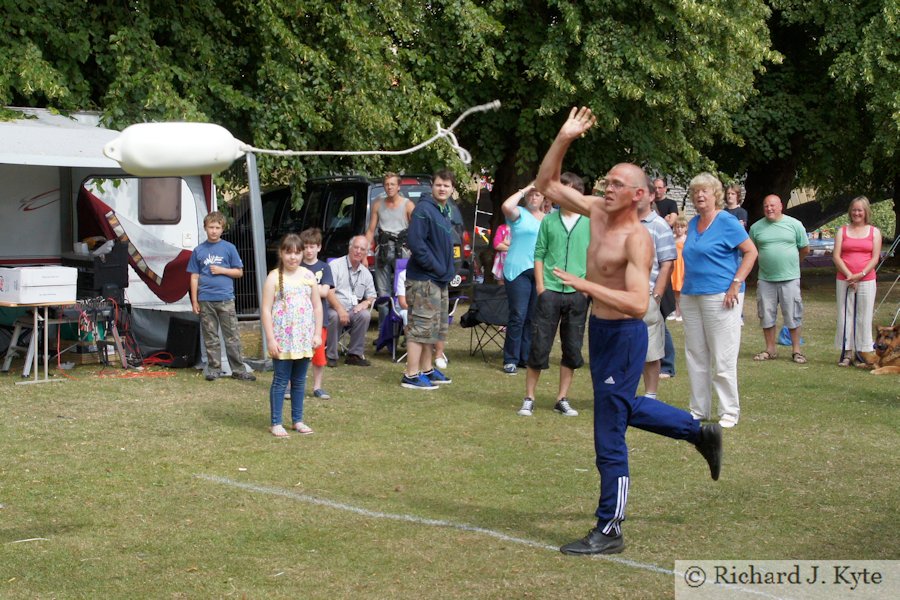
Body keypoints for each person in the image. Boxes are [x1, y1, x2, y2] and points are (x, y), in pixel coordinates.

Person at [536, 106, 722, 556]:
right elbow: (547, 185)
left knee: (608, 432)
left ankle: (610, 528)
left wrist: (585, 284)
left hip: (624, 336)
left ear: (638, 194)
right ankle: (698, 431)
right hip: (599, 332)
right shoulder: (597, 211)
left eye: (617, 183)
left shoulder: (637, 238)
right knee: (621, 407)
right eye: (607, 181)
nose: (607, 186)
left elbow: (640, 304)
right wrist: (564, 137)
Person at [680, 173, 757, 429]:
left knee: (723, 355)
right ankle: (698, 409)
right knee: (695, 354)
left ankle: (729, 411)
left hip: (721, 295)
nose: (700, 196)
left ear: (716, 195)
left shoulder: (726, 221)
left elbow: (750, 252)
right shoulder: (692, 224)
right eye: (696, 192)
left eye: (705, 191)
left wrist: (735, 283)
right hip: (692, 295)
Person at [519, 172, 590, 418]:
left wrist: (586, 285)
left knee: (572, 347)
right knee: (539, 345)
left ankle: (562, 398)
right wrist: (541, 287)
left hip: (577, 294)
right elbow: (539, 253)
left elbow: (594, 255)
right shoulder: (549, 220)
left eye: (570, 191)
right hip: (549, 290)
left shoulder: (589, 222)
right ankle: (529, 397)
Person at [261, 234, 323, 437]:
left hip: (303, 339)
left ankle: (298, 420)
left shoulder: (308, 276)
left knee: (299, 381)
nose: (293, 257)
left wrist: (316, 334)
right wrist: (270, 339)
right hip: (282, 340)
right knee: (280, 380)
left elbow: (317, 307)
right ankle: (276, 422)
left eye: (297, 253)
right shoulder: (273, 277)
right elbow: (266, 310)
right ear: (281, 253)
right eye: (289, 253)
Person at [401, 169, 456, 390]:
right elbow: (416, 244)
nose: (442, 188)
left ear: (452, 189)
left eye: (447, 185)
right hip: (424, 279)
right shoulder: (423, 209)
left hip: (439, 280)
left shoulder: (444, 210)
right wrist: (437, 267)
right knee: (420, 328)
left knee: (433, 330)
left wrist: (446, 271)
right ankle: (411, 375)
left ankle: (426, 370)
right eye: (439, 184)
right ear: (432, 186)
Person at [188, 211, 256, 382]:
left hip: (225, 299)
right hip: (205, 299)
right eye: (211, 227)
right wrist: (195, 300)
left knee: (231, 335)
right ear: (205, 228)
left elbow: (239, 272)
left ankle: (238, 369)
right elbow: (194, 276)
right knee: (210, 336)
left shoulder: (229, 248)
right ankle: (214, 368)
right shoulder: (199, 250)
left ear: (222, 229)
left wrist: (222, 270)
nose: (214, 231)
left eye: (217, 227)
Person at [749, 195, 810, 364]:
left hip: (789, 278)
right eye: (766, 206)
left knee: (793, 314)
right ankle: (770, 349)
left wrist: (792, 264)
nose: (769, 209)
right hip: (766, 278)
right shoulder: (756, 228)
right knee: (766, 314)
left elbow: (805, 249)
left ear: (781, 206)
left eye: (773, 206)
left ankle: (796, 350)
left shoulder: (794, 224)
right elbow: (751, 251)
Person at [637, 177, 676, 399]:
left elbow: (667, 263)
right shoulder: (624, 221)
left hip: (648, 295)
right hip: (624, 296)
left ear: (652, 197)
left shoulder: (659, 225)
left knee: (651, 352)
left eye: (643, 192)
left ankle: (650, 396)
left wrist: (656, 296)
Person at [833, 196, 883, 366]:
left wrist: (860, 274)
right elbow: (836, 256)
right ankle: (847, 352)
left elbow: (875, 257)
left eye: (860, 210)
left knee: (864, 315)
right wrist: (849, 275)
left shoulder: (874, 232)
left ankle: (863, 352)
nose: (857, 213)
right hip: (844, 279)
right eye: (854, 210)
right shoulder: (842, 231)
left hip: (867, 279)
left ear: (865, 212)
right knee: (845, 314)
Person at [501, 184, 546, 374]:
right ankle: (510, 358)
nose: (534, 197)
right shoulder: (518, 213)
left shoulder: (548, 219)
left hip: (539, 271)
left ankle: (525, 357)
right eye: (531, 195)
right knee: (518, 315)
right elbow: (505, 206)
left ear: (544, 198)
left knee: (532, 318)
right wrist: (524, 189)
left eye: (538, 195)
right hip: (517, 270)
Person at [365, 173, 414, 326]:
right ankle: (384, 332)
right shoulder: (378, 204)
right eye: (387, 184)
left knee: (405, 292)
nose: (389, 187)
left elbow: (416, 231)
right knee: (383, 293)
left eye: (393, 184)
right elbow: (371, 230)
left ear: (398, 186)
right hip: (383, 250)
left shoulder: (408, 205)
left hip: (403, 250)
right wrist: (365, 254)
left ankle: (407, 330)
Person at [326, 236, 377, 367]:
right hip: (333, 307)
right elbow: (329, 292)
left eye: (362, 249)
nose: (358, 251)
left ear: (366, 253)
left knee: (365, 315)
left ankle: (354, 355)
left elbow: (372, 296)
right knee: (334, 316)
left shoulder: (366, 273)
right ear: (349, 248)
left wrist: (365, 303)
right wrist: (340, 309)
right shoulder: (335, 266)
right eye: (356, 247)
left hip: (352, 309)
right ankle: (331, 355)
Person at [299, 228, 334, 398]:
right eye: (305, 246)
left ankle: (317, 387)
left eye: (312, 246)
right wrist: (315, 288)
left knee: (318, 355)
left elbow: (325, 292)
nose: (309, 250)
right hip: (298, 318)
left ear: (319, 247)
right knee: (296, 354)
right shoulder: (296, 266)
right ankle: (292, 386)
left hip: (320, 321)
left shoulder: (324, 267)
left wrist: (306, 287)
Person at [668, 215, 688, 321]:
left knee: (681, 290)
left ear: (686, 228)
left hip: (682, 265)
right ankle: (675, 311)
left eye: (681, 227)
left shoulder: (686, 239)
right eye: (677, 227)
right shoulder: (672, 238)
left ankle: (681, 312)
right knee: (674, 290)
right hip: (674, 266)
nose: (679, 229)